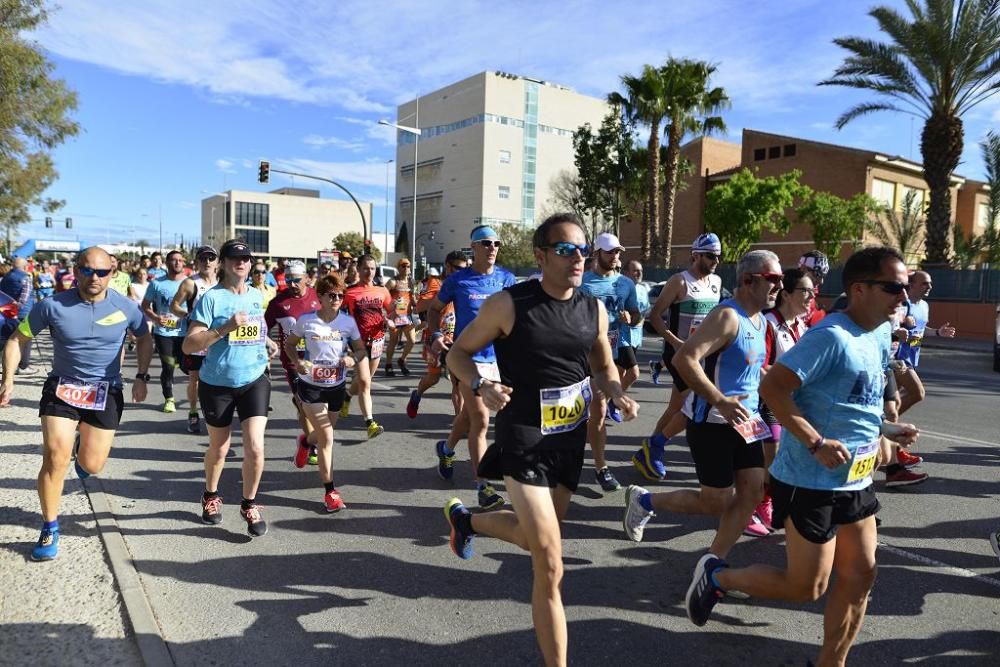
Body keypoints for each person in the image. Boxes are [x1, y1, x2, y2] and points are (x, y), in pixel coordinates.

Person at [683, 246, 919, 667]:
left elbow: (855, 401)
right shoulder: (830, 336)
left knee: (861, 576)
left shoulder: (881, 332)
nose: (903, 297)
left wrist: (885, 431)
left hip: (856, 478)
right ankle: (717, 576)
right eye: (894, 288)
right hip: (811, 479)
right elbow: (773, 387)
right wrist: (814, 441)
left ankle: (830, 663)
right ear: (860, 289)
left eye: (905, 287)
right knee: (806, 587)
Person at [442, 213, 638, 666]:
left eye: (582, 250)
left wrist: (615, 391)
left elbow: (603, 364)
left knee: (533, 540)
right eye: (566, 249)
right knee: (550, 562)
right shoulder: (509, 304)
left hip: (568, 441)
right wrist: (480, 386)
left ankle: (468, 522)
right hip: (524, 436)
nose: (578, 259)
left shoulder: (593, 307)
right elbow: (458, 353)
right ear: (541, 255)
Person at [623, 249, 778, 563]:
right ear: (748, 280)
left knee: (751, 493)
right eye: (772, 279)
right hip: (713, 422)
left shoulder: (760, 321)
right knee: (716, 503)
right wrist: (719, 399)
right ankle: (646, 501)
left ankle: (713, 562)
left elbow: (750, 370)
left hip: (747, 422)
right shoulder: (727, 315)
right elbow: (684, 359)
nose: (779, 286)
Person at [0, 247, 153, 561]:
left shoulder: (126, 306)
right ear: (76, 270)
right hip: (62, 387)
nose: (93, 278)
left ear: (112, 273)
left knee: (92, 466)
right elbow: (18, 339)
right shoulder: (52, 305)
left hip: (105, 391)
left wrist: (141, 375)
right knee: (56, 456)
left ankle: (83, 447)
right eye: (86, 270)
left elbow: (145, 336)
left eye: (101, 272)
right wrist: (8, 379)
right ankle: (50, 526)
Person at [182, 239, 278, 537]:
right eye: (235, 257)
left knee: (255, 446)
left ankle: (249, 503)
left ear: (251, 264)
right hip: (217, 383)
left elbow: (255, 326)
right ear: (223, 263)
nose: (241, 262)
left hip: (254, 379)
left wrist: (267, 341)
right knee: (220, 448)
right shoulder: (211, 299)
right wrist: (223, 329)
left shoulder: (255, 295)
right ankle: (210, 495)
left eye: (246, 258)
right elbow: (189, 343)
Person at [427, 226, 516, 509]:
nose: (492, 248)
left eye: (496, 243)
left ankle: (446, 448)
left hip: (498, 360)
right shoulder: (458, 280)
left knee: (466, 417)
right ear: (474, 248)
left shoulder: (507, 279)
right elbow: (433, 309)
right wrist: (436, 336)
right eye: (486, 243)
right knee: (480, 420)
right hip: (466, 358)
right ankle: (483, 486)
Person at [637, 233, 723, 480]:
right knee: (691, 405)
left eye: (717, 256)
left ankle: (651, 449)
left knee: (677, 406)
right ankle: (656, 446)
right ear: (695, 255)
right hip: (679, 355)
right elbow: (654, 316)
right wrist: (675, 342)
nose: (715, 260)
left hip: (702, 355)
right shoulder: (679, 282)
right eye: (710, 256)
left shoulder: (716, 281)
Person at [284, 273, 370, 511]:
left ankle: (305, 442)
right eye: (331, 295)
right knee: (328, 437)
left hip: (336, 387)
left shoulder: (348, 323)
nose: (337, 299)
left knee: (322, 435)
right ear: (320, 296)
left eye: (340, 296)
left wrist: (353, 359)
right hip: (310, 387)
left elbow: (362, 350)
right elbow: (289, 345)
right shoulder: (306, 321)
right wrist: (298, 362)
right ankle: (330, 492)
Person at [752, 267, 813, 534]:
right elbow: (759, 366)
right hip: (767, 399)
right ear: (786, 294)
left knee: (794, 453)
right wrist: (783, 386)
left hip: (794, 400)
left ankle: (776, 499)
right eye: (806, 291)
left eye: (813, 291)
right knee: (773, 452)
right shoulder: (768, 322)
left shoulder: (802, 325)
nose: (811, 296)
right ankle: (759, 503)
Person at [579, 232, 639, 493]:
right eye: (610, 251)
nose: (615, 256)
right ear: (597, 254)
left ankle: (601, 467)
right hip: (582, 354)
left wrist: (630, 317)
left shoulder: (626, 284)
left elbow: (637, 316)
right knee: (585, 411)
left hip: (611, 355)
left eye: (618, 252)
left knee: (599, 410)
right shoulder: (583, 283)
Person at [265, 260, 322, 461]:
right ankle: (312, 445)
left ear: (306, 278)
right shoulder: (278, 304)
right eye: (288, 279)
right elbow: (262, 328)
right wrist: (269, 342)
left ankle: (308, 438)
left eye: (296, 280)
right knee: (305, 406)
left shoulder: (318, 296)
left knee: (317, 406)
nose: (291, 284)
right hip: (293, 363)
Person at [406, 253, 467, 419]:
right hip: (435, 338)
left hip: (456, 339)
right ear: (448, 267)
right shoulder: (435, 283)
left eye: (465, 268)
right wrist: (441, 294)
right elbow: (419, 307)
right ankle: (417, 394)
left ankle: (458, 421)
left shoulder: (463, 283)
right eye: (459, 268)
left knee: (458, 383)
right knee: (433, 378)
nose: (463, 272)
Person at [341, 255, 393, 439]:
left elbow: (392, 310)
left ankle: (347, 395)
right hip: (358, 344)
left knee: (364, 380)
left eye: (372, 268)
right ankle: (370, 423)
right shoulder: (350, 292)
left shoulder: (382, 291)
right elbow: (338, 315)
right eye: (365, 268)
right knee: (364, 382)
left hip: (378, 341)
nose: (369, 272)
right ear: (359, 269)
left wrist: (390, 320)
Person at [169, 246, 219, 434]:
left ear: (217, 262)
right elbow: (173, 306)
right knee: (195, 379)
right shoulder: (191, 283)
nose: (207, 262)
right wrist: (188, 315)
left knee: (218, 378)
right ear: (196, 262)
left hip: (218, 337)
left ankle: (215, 412)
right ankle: (193, 412)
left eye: (211, 258)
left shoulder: (224, 282)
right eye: (203, 258)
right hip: (197, 338)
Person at [141, 250, 189, 414]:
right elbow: (145, 305)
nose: (177, 263)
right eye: (173, 260)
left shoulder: (190, 283)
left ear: (184, 263)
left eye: (180, 260)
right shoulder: (157, 284)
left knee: (187, 367)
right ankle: (169, 399)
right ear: (167, 264)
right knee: (168, 367)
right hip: (164, 333)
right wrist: (155, 318)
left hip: (185, 333)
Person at [0, 257, 37, 375]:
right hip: (23, 314)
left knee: (8, 339)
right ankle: (23, 366)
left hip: (6, 313)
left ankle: (7, 365)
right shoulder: (26, 278)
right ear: (26, 267)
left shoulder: (6, 277)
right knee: (25, 340)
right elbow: (23, 299)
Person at [384, 258, 417, 377]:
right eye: (403, 266)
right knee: (393, 341)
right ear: (398, 268)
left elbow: (413, 298)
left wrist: (415, 302)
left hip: (407, 316)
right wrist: (389, 310)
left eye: (408, 266)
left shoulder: (411, 282)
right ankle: (388, 365)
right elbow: (383, 296)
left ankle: (402, 359)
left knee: (412, 340)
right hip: (395, 316)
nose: (406, 268)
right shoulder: (393, 282)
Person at [620, 260, 649, 392]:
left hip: (636, 337)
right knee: (633, 373)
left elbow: (645, 311)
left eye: (641, 270)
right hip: (621, 337)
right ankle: (614, 401)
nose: (639, 273)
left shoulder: (643, 289)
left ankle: (611, 403)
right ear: (626, 272)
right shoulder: (619, 287)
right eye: (635, 270)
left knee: (622, 373)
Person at [799, 250, 830, 328]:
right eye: (817, 274)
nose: (821, 281)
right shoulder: (787, 293)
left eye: (823, 276)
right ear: (803, 269)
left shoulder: (813, 299)